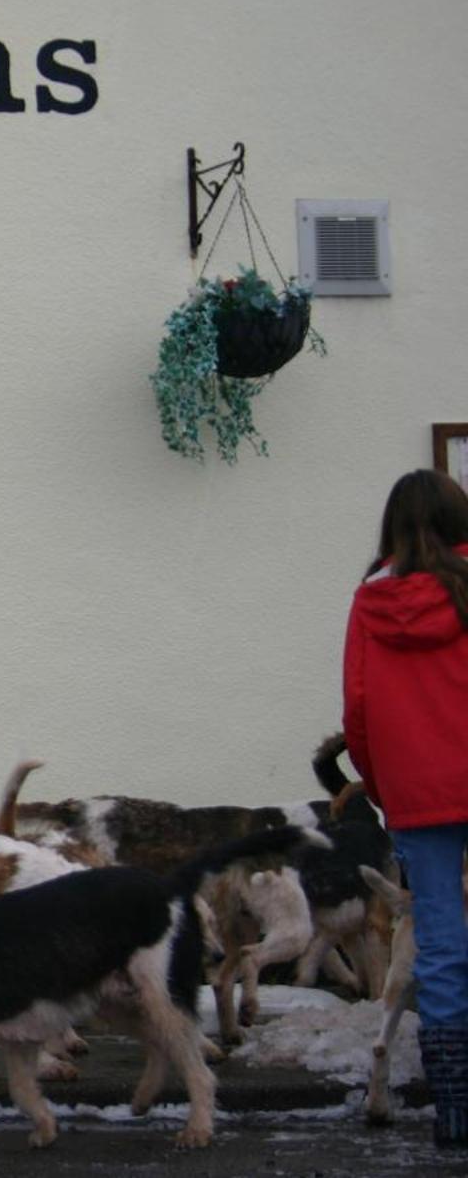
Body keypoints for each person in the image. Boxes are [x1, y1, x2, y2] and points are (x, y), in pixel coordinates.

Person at [343, 467, 468, 1149]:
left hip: (418, 793)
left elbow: (358, 710)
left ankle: (455, 1110)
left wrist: (382, 783)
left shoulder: (371, 603)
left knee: (441, 949)